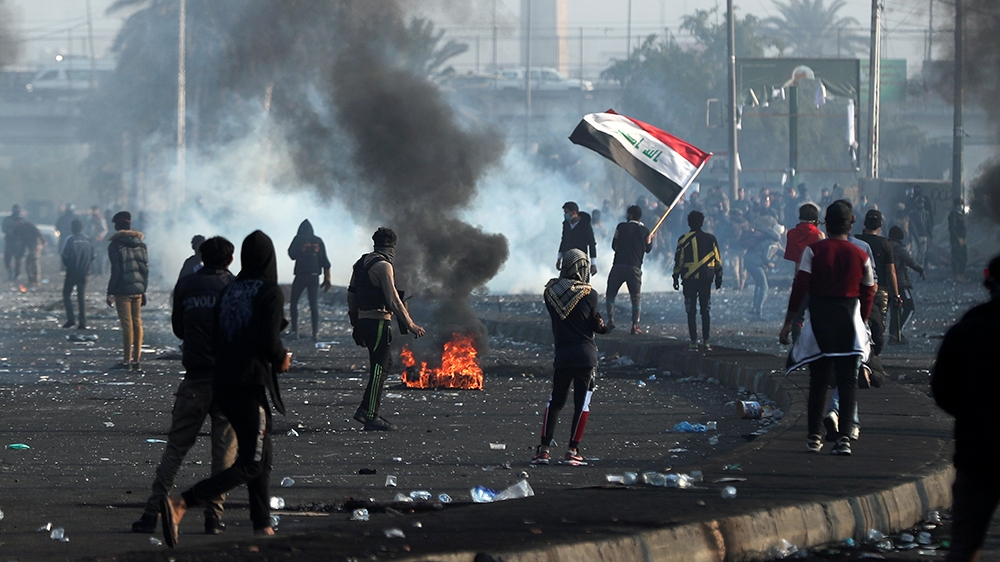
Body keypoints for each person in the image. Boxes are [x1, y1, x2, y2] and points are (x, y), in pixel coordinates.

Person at [161, 231, 291, 547]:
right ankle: (183, 503)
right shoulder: (269, 292)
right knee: (250, 462)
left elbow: (216, 336)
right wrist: (282, 358)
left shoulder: (231, 290)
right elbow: (269, 342)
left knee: (262, 456)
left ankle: (261, 524)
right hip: (250, 385)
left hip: (224, 382)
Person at [131, 237, 237, 536]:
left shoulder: (187, 285)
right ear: (229, 260)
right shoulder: (235, 286)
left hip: (195, 378)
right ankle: (213, 518)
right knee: (224, 454)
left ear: (201, 257)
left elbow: (179, 328)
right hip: (228, 382)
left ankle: (151, 513)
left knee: (175, 449)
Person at [780, 200, 875, 456]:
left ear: (825, 223)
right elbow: (869, 291)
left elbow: (800, 287)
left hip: (820, 320)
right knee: (846, 384)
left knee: (818, 382)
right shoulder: (861, 254)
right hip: (849, 322)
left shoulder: (814, 251)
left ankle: (814, 437)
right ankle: (844, 438)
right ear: (851, 223)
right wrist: (863, 320)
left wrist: (789, 322)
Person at [931, 255, 1000, 562]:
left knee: (963, 546)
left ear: (989, 284)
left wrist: (975, 414)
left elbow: (943, 392)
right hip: (977, 453)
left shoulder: (966, 331)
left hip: (978, 455)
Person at [531, 249, 611, 466]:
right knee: (581, 405)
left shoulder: (550, 294)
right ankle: (572, 450)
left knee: (555, 402)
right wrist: (603, 326)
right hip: (586, 356)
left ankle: (544, 450)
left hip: (563, 355)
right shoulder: (590, 294)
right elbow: (593, 324)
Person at [348, 227, 425, 431]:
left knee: (385, 364)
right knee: (379, 369)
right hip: (379, 323)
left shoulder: (360, 263)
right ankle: (370, 415)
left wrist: (355, 323)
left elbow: (351, 295)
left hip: (363, 322)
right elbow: (393, 300)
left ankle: (365, 409)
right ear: (392, 246)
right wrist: (410, 324)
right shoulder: (384, 266)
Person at [673, 211, 723, 351]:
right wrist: (719, 278)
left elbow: (679, 261)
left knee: (691, 311)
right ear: (702, 222)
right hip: (706, 279)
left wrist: (675, 277)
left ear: (689, 223)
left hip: (689, 280)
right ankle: (706, 341)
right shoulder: (711, 239)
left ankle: (694, 341)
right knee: (705, 309)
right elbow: (718, 261)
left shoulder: (683, 239)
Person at [106, 211, 149, 372]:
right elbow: (144, 270)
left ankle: (126, 361)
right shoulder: (141, 244)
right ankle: (137, 360)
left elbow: (116, 270)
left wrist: (110, 292)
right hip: (138, 289)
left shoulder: (115, 245)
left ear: (117, 227)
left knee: (127, 324)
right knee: (137, 322)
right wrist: (143, 290)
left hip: (122, 290)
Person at [855, 209, 899, 357]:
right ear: (880, 225)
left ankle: (862, 354)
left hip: (857, 288)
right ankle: (872, 356)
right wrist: (896, 294)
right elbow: (891, 271)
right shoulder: (885, 244)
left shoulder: (856, 241)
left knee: (858, 322)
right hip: (880, 290)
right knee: (878, 325)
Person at [605, 205, 651, 335]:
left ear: (630, 215)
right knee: (635, 297)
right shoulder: (645, 231)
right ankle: (635, 325)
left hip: (618, 265)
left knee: (611, 294)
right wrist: (649, 240)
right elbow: (648, 249)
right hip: (635, 267)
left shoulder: (621, 227)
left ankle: (611, 320)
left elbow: (614, 245)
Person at [783, 204, 825, 341]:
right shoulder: (818, 235)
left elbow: (793, 257)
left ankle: (797, 345)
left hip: (799, 277)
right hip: (816, 280)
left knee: (797, 315)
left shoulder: (791, 234)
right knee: (817, 315)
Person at [287, 219, 332, 340]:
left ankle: (294, 331)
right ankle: (315, 333)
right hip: (314, 276)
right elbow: (325, 262)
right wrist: (327, 278)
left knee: (294, 302)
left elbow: (292, 255)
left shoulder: (298, 239)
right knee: (314, 305)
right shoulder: (318, 241)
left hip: (301, 276)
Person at [887, 225, 925, 344]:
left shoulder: (886, 246)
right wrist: (921, 270)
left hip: (888, 283)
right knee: (909, 307)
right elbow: (910, 261)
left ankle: (893, 334)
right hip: (901, 283)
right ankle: (897, 332)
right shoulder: (898, 248)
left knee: (895, 310)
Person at [741, 215, 781, 318]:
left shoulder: (768, 238)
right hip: (754, 263)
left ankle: (755, 308)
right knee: (764, 286)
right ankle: (758, 311)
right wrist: (769, 264)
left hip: (749, 261)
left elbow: (782, 252)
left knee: (759, 284)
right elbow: (765, 256)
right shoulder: (772, 242)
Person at [61, 220, 94, 329]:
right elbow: (93, 256)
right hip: (85, 272)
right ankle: (82, 322)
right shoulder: (88, 240)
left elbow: (64, 255)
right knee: (81, 297)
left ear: (72, 228)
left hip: (72, 272)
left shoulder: (70, 239)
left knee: (66, 295)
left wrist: (68, 266)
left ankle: (71, 319)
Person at [557, 201, 597, 276]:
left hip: (580, 259)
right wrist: (559, 258)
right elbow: (563, 240)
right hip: (567, 259)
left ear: (574, 212)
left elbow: (592, 243)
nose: (565, 215)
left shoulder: (585, 225)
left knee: (581, 284)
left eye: (567, 213)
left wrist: (593, 263)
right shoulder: (566, 224)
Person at [10, 215, 46, 287]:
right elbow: (22, 242)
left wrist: (43, 242)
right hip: (29, 246)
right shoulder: (18, 229)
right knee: (28, 264)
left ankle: (36, 280)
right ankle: (31, 280)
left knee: (34, 261)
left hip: (36, 244)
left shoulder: (28, 226)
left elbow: (38, 233)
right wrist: (20, 255)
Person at [948, 198, 968, 282]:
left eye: (961, 204)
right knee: (956, 256)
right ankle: (956, 274)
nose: (960, 206)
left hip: (963, 238)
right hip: (956, 239)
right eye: (958, 204)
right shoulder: (953, 215)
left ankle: (961, 273)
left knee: (963, 257)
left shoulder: (961, 215)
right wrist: (957, 238)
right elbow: (952, 228)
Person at [87, 206, 109, 274]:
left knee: (99, 256)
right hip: (91, 239)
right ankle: (93, 270)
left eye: (94, 210)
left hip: (99, 240)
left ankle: (99, 271)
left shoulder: (101, 219)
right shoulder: (90, 219)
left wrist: (99, 236)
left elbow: (105, 230)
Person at [2, 204, 21, 280]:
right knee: (7, 259)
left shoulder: (22, 220)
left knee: (18, 259)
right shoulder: (8, 219)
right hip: (9, 241)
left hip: (19, 242)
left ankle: (17, 274)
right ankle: (10, 272)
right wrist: (9, 231)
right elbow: (3, 228)